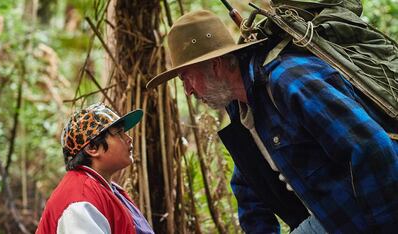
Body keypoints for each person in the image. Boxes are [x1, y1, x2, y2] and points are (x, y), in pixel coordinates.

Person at [146, 10, 398, 233]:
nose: (188, 91)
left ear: (215, 65)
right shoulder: (241, 107)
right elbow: (248, 188)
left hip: (370, 215)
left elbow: (371, 148)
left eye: (186, 78)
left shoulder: (288, 81)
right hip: (330, 217)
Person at [36, 103, 154, 234]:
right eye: (119, 133)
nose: (129, 139)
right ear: (92, 148)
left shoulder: (106, 189)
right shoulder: (79, 202)